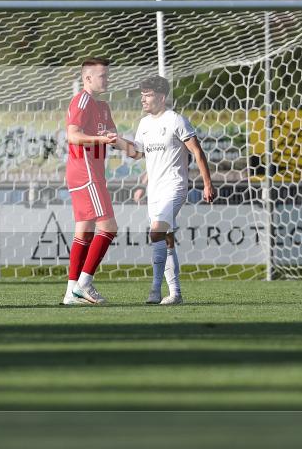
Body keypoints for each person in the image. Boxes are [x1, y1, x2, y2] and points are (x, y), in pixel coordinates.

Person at [125, 75, 216, 305]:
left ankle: (155, 290)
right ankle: (175, 294)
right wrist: (117, 141)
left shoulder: (176, 120)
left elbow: (197, 151)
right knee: (166, 240)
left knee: (156, 232)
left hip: (175, 187)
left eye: (148, 95)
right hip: (154, 191)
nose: (143, 99)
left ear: (162, 97)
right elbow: (138, 154)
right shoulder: (144, 124)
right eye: (142, 94)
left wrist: (207, 183)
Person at [62, 57, 136, 305]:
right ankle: (84, 284)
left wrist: (133, 149)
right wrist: (100, 140)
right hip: (85, 171)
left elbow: (113, 138)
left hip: (91, 172)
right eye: (102, 75)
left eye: (108, 74)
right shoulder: (82, 100)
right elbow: (73, 136)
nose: (107, 79)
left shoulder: (103, 106)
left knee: (84, 230)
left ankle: (71, 292)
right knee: (109, 227)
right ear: (87, 78)